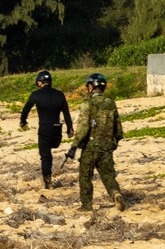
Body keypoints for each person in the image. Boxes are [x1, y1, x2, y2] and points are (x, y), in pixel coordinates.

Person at [65, 73, 126, 212]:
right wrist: (115, 141)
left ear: (91, 86)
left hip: (90, 148)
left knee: (85, 176)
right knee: (108, 175)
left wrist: (74, 146)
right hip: (106, 148)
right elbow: (118, 127)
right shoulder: (110, 103)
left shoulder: (87, 104)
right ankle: (115, 194)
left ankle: (86, 205)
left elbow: (83, 128)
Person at [19, 70, 74, 189]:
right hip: (57, 131)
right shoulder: (59, 94)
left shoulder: (36, 94)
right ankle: (48, 180)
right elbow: (66, 114)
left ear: (39, 82)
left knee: (45, 157)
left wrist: (23, 122)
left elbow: (26, 109)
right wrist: (70, 128)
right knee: (52, 147)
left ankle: (48, 183)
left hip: (44, 130)